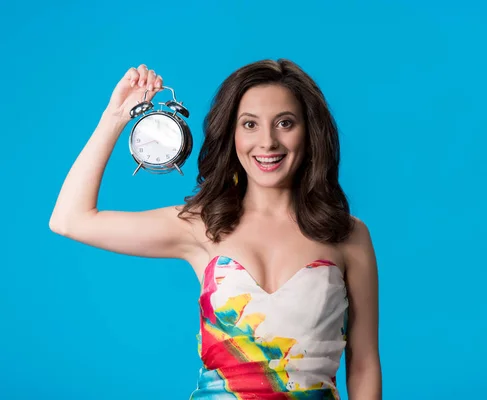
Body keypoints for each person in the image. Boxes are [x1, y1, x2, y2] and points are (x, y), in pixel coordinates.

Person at [49, 60, 382, 399]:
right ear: (232, 134)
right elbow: (69, 219)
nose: (267, 142)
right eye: (249, 124)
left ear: (310, 132)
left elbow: (364, 363)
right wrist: (116, 115)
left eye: (285, 123)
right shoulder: (201, 225)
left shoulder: (349, 235)